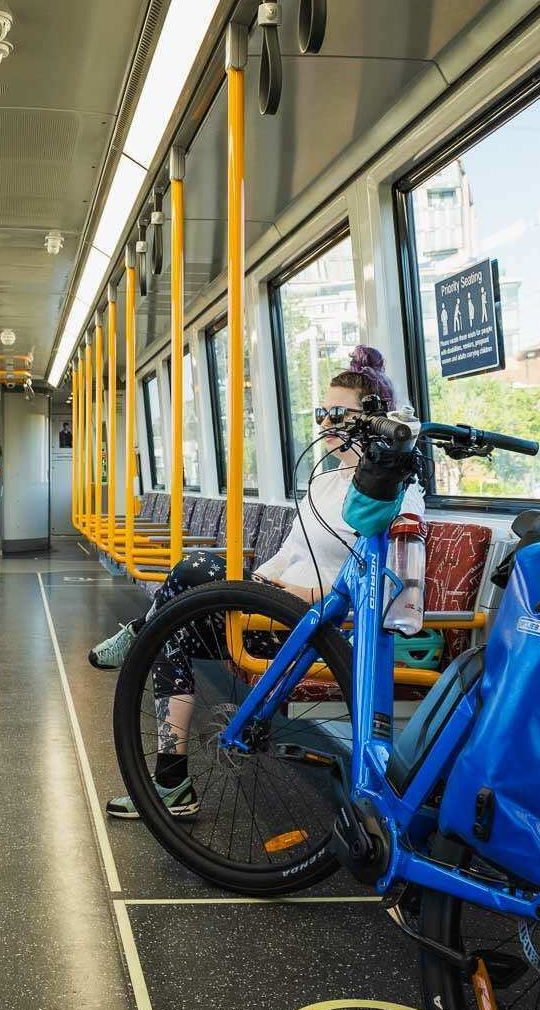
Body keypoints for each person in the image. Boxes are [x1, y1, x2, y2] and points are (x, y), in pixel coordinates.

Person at [91, 346, 426, 819]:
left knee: (194, 568)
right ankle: (172, 782)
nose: (326, 423)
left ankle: (137, 630)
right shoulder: (323, 483)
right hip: (276, 609)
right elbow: (287, 554)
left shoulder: (396, 495)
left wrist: (296, 596)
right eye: (321, 413)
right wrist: (260, 586)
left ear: (371, 422)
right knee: (174, 636)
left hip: (321, 625)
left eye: (339, 413)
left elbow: (387, 589)